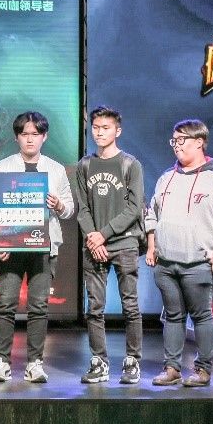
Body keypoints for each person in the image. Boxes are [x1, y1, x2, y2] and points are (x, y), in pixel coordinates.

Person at [145, 119, 213, 387]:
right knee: (172, 316)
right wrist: (151, 246)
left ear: (199, 142)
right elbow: (152, 215)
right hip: (166, 262)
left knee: (201, 316)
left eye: (181, 140)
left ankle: (203, 370)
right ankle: (172, 368)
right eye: (173, 141)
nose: (176, 145)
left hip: (198, 262)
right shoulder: (166, 177)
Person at [0, 111, 74, 383]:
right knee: (6, 304)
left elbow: (70, 209)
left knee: (39, 307)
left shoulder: (56, 169)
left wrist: (59, 205)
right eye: (24, 134)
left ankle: (35, 363)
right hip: (11, 248)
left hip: (44, 248)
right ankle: (2, 361)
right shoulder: (2, 167)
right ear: (17, 137)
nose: (29, 139)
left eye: (35, 134)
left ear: (44, 137)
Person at [73, 105, 145, 385]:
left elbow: (134, 208)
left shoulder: (130, 164)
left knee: (130, 306)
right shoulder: (84, 165)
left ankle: (132, 361)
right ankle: (99, 361)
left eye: (106, 128)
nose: (100, 132)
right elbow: (82, 208)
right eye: (96, 127)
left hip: (124, 243)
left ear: (118, 130)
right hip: (94, 245)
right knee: (95, 308)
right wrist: (93, 238)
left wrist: (102, 234)